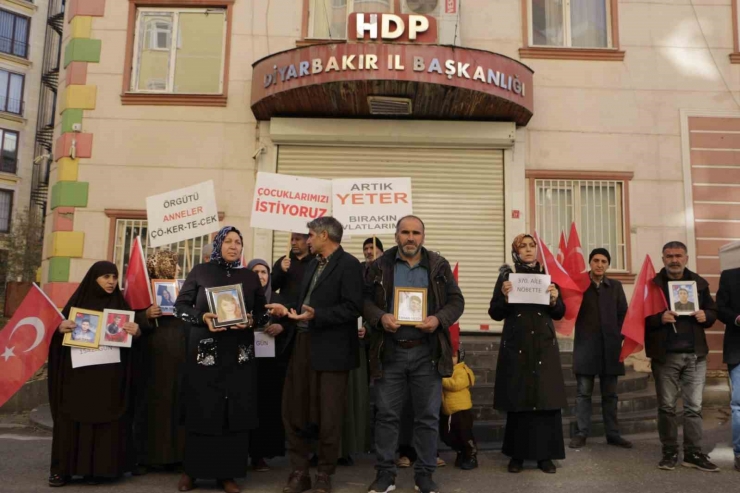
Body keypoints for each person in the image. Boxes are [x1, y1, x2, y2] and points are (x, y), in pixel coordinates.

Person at [364, 215, 464, 493]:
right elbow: (364, 301)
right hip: (390, 351)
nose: (411, 238)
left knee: (428, 417)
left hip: (426, 352)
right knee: (386, 416)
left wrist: (438, 319)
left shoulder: (438, 265)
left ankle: (425, 475)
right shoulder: (379, 266)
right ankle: (385, 475)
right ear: (396, 236)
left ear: (423, 236)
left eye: (416, 233)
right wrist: (380, 316)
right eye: (405, 232)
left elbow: (457, 301)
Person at [267, 217, 364, 493]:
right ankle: (299, 472)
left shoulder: (349, 265)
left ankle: (324, 474)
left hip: (332, 351)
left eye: (309, 235)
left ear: (324, 235)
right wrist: (285, 309)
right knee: (295, 409)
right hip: (302, 344)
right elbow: (301, 302)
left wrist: (318, 315)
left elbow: (353, 307)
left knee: (329, 414)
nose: (306, 240)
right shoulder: (311, 264)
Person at [174, 227, 267, 493]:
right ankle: (191, 472)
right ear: (218, 244)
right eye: (228, 241)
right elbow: (180, 307)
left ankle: (227, 474)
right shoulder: (200, 272)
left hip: (239, 353)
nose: (233, 246)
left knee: (234, 411)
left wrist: (252, 320)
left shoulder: (249, 277)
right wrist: (202, 318)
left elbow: (262, 314)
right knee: (202, 406)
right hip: (206, 350)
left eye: (238, 242)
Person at [48, 261, 145, 487]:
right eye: (106, 277)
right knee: (72, 420)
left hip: (109, 378)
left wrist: (137, 332)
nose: (111, 281)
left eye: (114, 277)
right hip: (78, 379)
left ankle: (100, 470)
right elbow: (56, 341)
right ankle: (63, 470)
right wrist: (59, 330)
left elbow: (135, 346)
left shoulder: (121, 306)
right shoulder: (76, 305)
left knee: (107, 420)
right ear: (94, 278)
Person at [489, 234, 566, 474]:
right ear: (516, 252)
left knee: (545, 401)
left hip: (543, 346)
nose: (529, 250)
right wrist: (503, 295)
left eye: (532, 246)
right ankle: (517, 455)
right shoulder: (506, 277)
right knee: (519, 399)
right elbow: (495, 313)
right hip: (518, 346)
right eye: (523, 247)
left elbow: (559, 313)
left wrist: (554, 299)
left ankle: (546, 456)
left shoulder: (547, 277)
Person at [646, 241, 718, 472]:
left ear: (686, 258)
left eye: (678, 255)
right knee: (666, 407)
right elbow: (639, 319)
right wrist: (659, 318)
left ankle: (693, 453)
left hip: (695, 356)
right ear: (663, 258)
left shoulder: (699, 283)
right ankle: (669, 453)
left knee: (694, 408)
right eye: (669, 256)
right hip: (665, 356)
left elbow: (713, 313)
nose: (674, 260)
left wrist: (705, 315)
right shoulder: (653, 286)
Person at [569, 248, 632, 449]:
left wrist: (617, 336)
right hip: (586, 347)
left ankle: (613, 434)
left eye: (604, 261)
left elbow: (624, 313)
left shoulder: (615, 286)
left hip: (610, 348)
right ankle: (581, 433)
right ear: (590, 262)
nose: (599, 264)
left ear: (608, 264)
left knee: (610, 395)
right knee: (583, 394)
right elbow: (569, 309)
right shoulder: (580, 285)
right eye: (596, 260)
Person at [134, 250, 188, 473]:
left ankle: (176, 457)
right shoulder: (142, 291)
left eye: (173, 265)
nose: (172, 269)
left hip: (179, 358)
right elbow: (128, 317)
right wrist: (145, 315)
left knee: (177, 406)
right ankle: (148, 458)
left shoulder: (184, 289)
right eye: (168, 265)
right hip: (152, 361)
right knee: (153, 406)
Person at [246, 258, 291, 472]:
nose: (260, 276)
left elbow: (293, 322)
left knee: (266, 407)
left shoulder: (279, 299)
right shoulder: (242, 298)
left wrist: (280, 327)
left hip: (271, 363)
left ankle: (260, 454)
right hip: (246, 361)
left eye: (264, 272)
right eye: (255, 272)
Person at [717, 266, 740, 472]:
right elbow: (720, 309)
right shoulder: (729, 276)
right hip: (738, 350)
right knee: (739, 403)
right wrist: (737, 318)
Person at [440, 347, 478, 470]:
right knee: (447, 435)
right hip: (448, 410)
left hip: (461, 410)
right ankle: (461, 452)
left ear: (460, 357)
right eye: (448, 356)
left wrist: (440, 379)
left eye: (453, 356)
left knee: (464, 434)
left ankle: (471, 455)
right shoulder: (445, 370)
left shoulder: (461, 370)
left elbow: (455, 385)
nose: (451, 359)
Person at [272, 232, 313, 305]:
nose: (293, 243)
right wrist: (281, 270)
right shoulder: (283, 261)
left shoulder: (315, 261)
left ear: (307, 240)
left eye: (297, 239)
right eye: (292, 239)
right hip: (285, 309)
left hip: (306, 309)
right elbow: (271, 286)